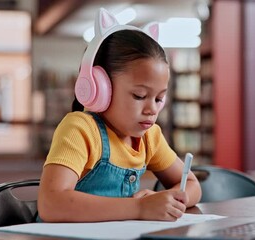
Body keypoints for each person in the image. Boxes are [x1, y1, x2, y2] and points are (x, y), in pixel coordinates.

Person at [37, 8, 202, 223]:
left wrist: (169, 199)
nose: (152, 109)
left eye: (159, 99)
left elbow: (193, 185)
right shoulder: (80, 129)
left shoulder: (149, 137)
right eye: (139, 95)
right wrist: (139, 208)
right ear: (99, 88)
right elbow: (51, 203)